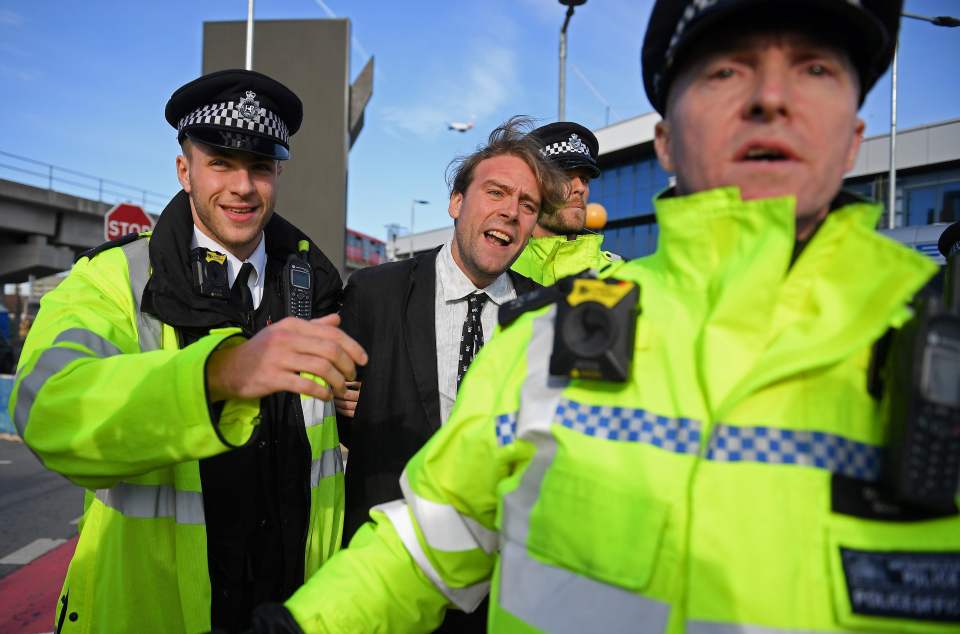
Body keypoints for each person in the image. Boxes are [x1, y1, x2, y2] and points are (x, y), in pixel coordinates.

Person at [259, 0, 960, 631]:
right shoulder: (547, 336)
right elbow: (431, 540)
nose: (771, 98)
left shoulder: (938, 342)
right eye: (724, 71)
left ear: (854, 133)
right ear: (664, 142)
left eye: (813, 68)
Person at [9, 69, 366, 633]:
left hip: (291, 610)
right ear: (184, 170)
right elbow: (47, 408)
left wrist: (356, 407)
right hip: (157, 615)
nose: (243, 187)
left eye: (261, 168)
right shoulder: (111, 280)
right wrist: (215, 378)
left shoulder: (316, 285)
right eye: (220, 163)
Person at [333, 117, 566, 633]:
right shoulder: (375, 293)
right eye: (497, 192)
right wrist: (338, 402)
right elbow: (334, 415)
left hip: (498, 590)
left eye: (527, 205)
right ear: (457, 202)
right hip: (389, 574)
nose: (510, 211)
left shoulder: (544, 315)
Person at [511, 121, 619, 286]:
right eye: (564, 177)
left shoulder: (621, 274)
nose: (580, 188)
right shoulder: (499, 270)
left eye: (584, 179)